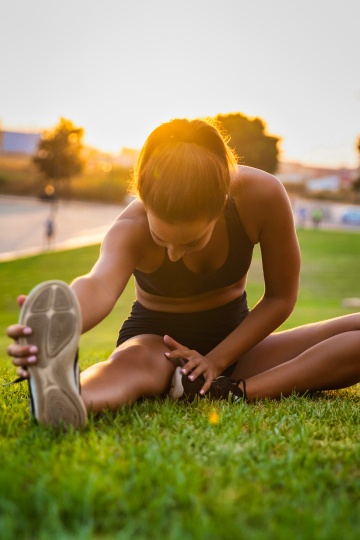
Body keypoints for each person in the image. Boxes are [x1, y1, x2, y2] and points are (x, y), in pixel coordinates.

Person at [6, 118, 360, 428]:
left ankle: (231, 392)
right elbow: (98, 284)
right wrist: (59, 324)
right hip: (157, 345)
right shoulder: (129, 227)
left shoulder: (262, 196)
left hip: (235, 348)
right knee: (129, 364)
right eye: (162, 239)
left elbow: (281, 297)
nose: (173, 254)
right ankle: (70, 399)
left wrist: (215, 361)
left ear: (222, 202)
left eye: (191, 241)